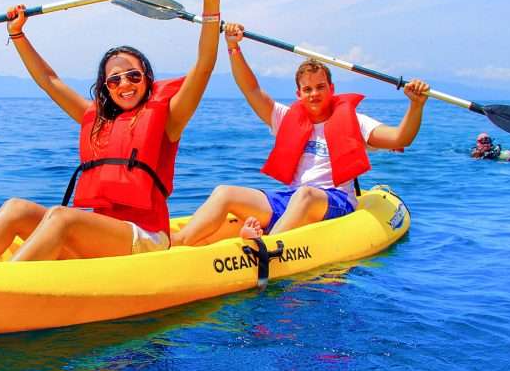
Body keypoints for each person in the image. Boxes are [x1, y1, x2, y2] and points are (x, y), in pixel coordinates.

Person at [0, 0, 222, 262]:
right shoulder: (97, 119)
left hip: (147, 238)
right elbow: (49, 81)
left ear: (147, 79)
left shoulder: (169, 120)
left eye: (133, 76)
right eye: (115, 80)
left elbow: (203, 66)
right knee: (16, 209)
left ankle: (1, 287)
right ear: (106, 88)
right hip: (103, 235)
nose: (124, 84)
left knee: (62, 217)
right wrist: (17, 33)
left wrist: (210, 1)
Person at [171, 23, 430, 246]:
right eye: (307, 89)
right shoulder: (286, 118)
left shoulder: (355, 122)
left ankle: (267, 246)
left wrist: (415, 105)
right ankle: (178, 246)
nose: (314, 94)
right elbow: (251, 90)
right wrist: (233, 47)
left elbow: (400, 138)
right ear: (298, 94)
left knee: (306, 194)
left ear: (332, 88)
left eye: (320, 87)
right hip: (292, 199)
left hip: (336, 201)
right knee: (225, 192)